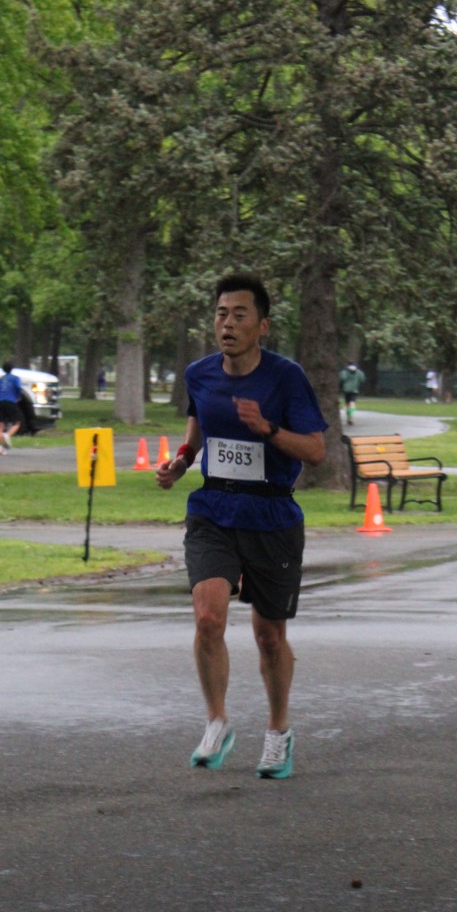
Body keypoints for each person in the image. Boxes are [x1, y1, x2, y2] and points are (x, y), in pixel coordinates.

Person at [156, 273, 328, 778]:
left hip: (271, 514)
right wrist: (181, 462)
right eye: (220, 314)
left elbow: (316, 451)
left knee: (269, 635)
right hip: (213, 509)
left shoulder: (286, 378)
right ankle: (217, 721)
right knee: (208, 617)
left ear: (262, 325)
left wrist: (267, 429)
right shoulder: (199, 374)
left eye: (239, 315)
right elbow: (198, 428)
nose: (227, 324)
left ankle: (278, 732)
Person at [0, 361, 23, 454]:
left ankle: (0, 447)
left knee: (0, 425)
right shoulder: (15, 379)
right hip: (10, 401)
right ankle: (7, 435)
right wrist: (18, 397)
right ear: (12, 369)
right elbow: (18, 388)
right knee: (16, 423)